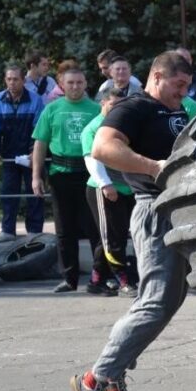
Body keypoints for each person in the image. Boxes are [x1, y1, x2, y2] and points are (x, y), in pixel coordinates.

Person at [70, 51, 194, 391]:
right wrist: (153, 167)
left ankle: (114, 375)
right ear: (157, 76)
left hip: (177, 210)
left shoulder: (174, 110)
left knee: (166, 300)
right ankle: (94, 380)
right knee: (155, 302)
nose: (182, 93)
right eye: (178, 85)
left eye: (187, 87)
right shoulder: (134, 108)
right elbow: (103, 147)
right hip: (154, 210)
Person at [32, 64, 102, 293]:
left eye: (79, 82)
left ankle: (100, 275)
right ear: (62, 85)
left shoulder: (96, 109)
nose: (75, 87)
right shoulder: (51, 110)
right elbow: (40, 144)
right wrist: (36, 176)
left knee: (95, 228)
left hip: (90, 175)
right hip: (60, 176)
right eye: (70, 83)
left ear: (85, 84)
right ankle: (69, 278)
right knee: (64, 230)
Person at [82, 88, 137, 297]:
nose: (116, 110)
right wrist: (106, 185)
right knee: (112, 238)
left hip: (126, 188)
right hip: (102, 190)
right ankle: (122, 279)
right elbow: (92, 160)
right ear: (103, 103)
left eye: (120, 106)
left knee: (116, 235)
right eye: (113, 105)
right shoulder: (93, 129)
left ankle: (96, 280)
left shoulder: (123, 125)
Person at [0, 65, 45, 243]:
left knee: (34, 192)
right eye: (9, 79)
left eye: (16, 79)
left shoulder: (36, 100)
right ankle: (7, 231)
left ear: (23, 80)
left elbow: (39, 130)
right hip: (9, 154)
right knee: (8, 193)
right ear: (5, 80)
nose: (12, 82)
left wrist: (32, 152)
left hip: (31, 154)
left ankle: (35, 231)